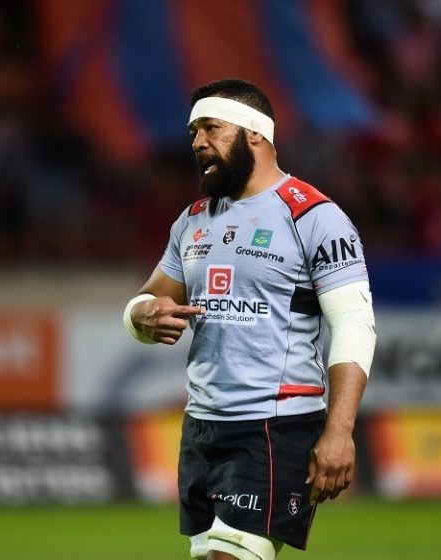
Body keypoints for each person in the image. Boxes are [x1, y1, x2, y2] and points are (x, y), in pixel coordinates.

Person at [122, 78, 376, 560]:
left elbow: (354, 325)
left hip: (275, 428)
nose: (198, 142)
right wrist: (141, 317)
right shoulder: (192, 220)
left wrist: (340, 431)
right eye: (194, 131)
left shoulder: (315, 217)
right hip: (201, 427)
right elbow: (147, 300)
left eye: (211, 128)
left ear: (253, 133)